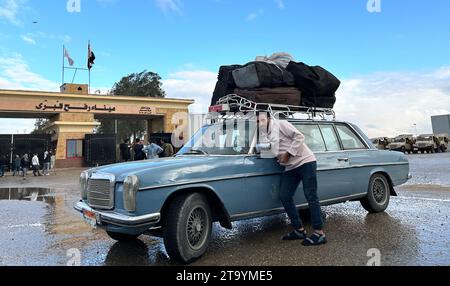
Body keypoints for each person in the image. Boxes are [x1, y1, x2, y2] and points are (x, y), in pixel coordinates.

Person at [258, 112, 326, 246]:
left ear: (269, 118)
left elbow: (300, 137)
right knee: (284, 195)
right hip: (290, 167)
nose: (260, 123)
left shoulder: (281, 124)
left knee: (311, 196)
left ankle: (319, 233)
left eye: (262, 120)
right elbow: (269, 151)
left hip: (305, 162)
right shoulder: (264, 136)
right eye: (257, 122)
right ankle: (299, 230)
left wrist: (288, 153)